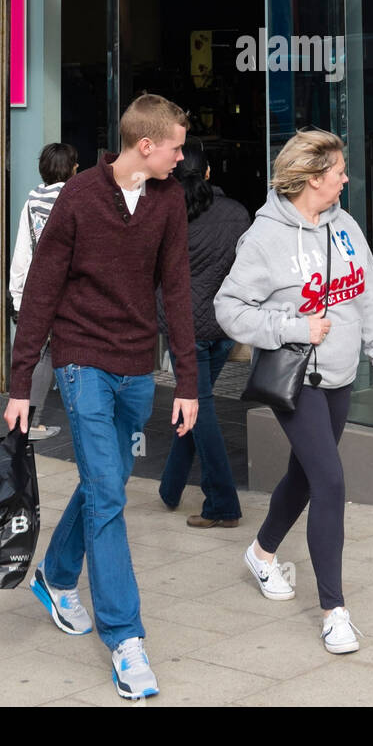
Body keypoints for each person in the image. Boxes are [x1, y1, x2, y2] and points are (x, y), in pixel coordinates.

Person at [6, 94, 199, 701]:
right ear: (146, 146)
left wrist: (189, 381)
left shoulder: (168, 199)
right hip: (81, 358)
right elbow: (41, 289)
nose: (182, 157)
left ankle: (57, 576)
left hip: (136, 365)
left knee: (103, 484)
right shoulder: (80, 197)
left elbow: (177, 288)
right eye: (176, 147)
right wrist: (20, 386)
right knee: (111, 499)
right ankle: (126, 639)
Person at [215, 129, 373, 657]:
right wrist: (292, 327)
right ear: (313, 177)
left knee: (303, 475)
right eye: (339, 170)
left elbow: (368, 298)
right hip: (298, 381)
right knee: (330, 481)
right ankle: (334, 612)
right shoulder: (265, 237)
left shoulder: (345, 227)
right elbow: (228, 308)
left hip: (341, 376)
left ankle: (261, 552)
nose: (346, 178)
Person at [157, 139, 251, 526]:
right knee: (196, 404)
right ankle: (170, 487)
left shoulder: (165, 212)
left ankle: (222, 505)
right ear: (210, 172)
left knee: (200, 407)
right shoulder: (238, 213)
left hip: (185, 329)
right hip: (223, 325)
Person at [8, 141, 79, 441]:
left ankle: (28, 421)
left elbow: (23, 252)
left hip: (38, 291)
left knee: (42, 354)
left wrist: (17, 295)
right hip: (70, 292)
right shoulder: (77, 201)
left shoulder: (31, 203)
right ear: (71, 168)